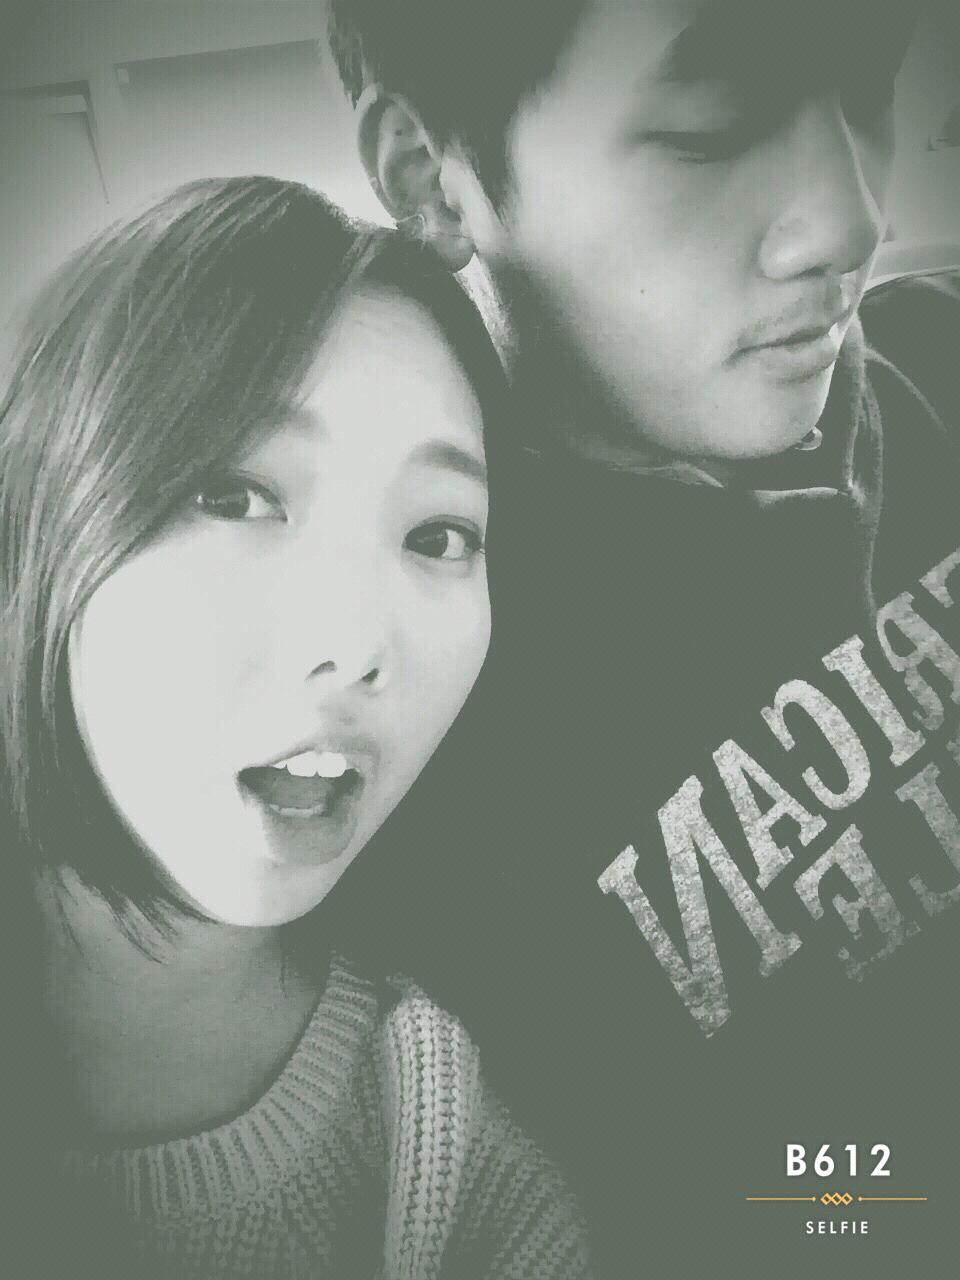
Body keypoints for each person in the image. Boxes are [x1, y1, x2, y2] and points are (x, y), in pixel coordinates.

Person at [329, 1, 960, 1274]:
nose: (852, 221)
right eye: (711, 130)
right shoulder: (409, 711)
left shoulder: (941, 354)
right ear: (434, 178)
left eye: (868, 87)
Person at [0, 175, 591, 1280]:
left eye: (439, 534)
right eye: (234, 495)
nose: (356, 642)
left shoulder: (457, 1190)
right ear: (39, 516)